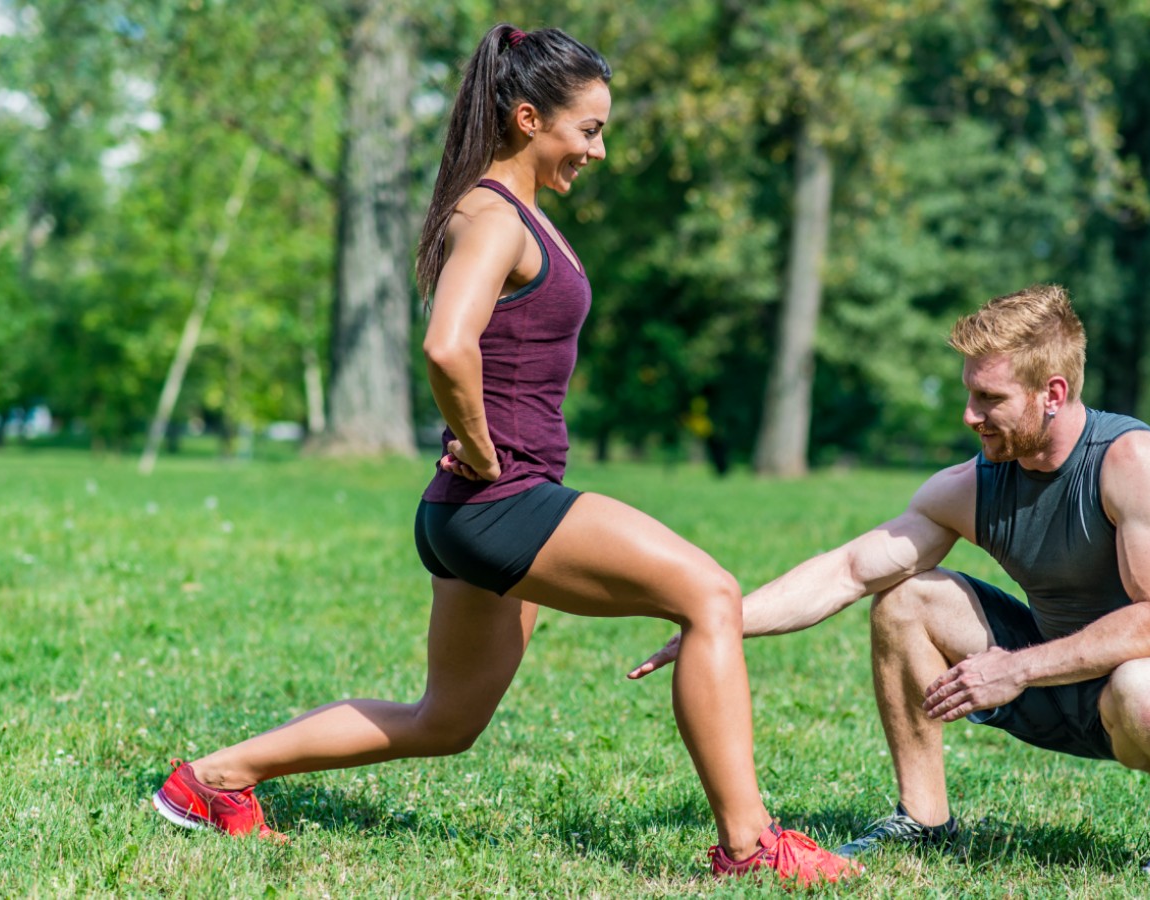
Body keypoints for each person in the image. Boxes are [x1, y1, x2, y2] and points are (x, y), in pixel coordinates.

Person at [151, 24, 857, 887]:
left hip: (468, 512)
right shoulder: (490, 217)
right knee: (710, 596)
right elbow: (447, 347)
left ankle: (211, 781)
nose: (598, 149)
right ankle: (751, 848)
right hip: (500, 500)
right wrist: (485, 451)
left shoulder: (512, 214)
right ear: (528, 118)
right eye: (587, 129)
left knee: (446, 719)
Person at [631, 285, 1150, 884]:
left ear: (1052, 394)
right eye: (968, 392)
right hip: (1053, 680)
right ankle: (924, 818)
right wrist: (719, 623)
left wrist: (1015, 669)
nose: (969, 415)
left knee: (1145, 692)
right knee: (905, 598)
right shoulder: (974, 485)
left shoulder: (1134, 462)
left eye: (988, 397)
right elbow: (848, 571)